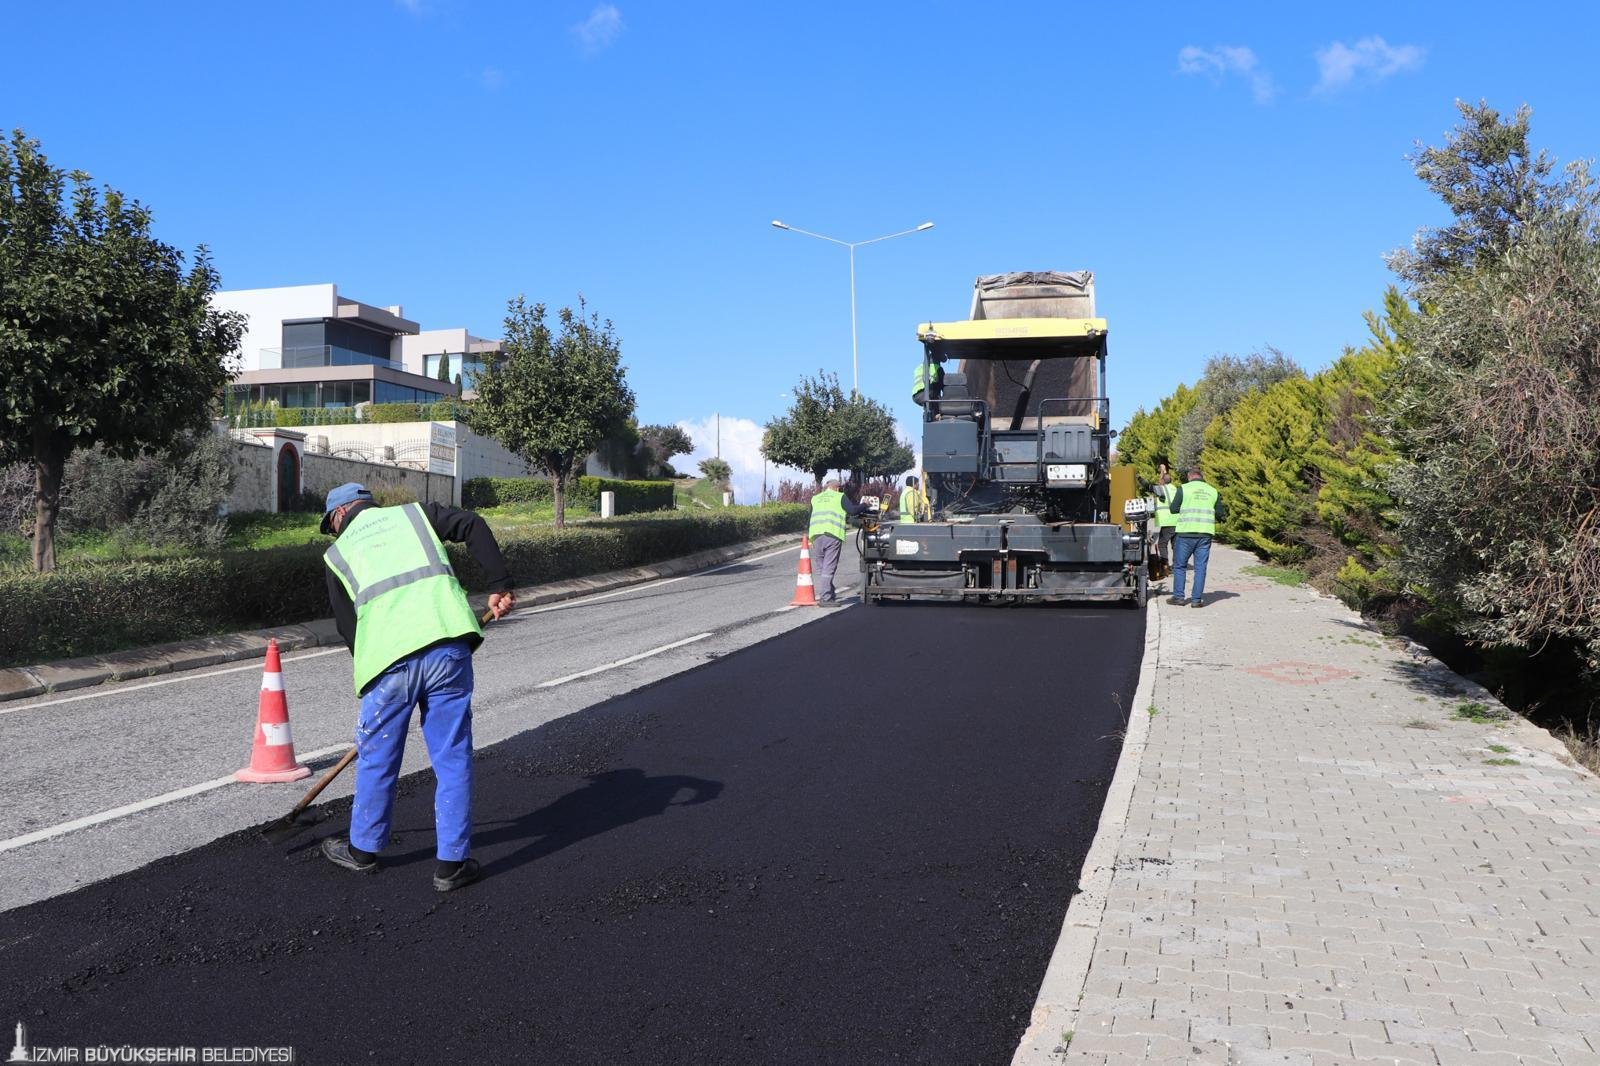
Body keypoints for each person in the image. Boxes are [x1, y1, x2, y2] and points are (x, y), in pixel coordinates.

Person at [317, 482, 516, 891]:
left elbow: (349, 629)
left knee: (377, 757)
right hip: (447, 645)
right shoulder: (415, 515)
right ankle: (451, 866)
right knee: (452, 755)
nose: (334, 532)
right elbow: (473, 524)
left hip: (387, 664)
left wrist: (375, 675)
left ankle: (362, 852)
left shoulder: (336, 554)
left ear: (339, 515)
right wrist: (499, 584)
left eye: (331, 526)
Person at [1168, 466, 1225, 608]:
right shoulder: (1213, 491)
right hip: (1205, 534)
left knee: (1180, 566)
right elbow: (1220, 514)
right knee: (1200, 568)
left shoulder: (1183, 489)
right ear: (1201, 477)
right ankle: (1196, 600)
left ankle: (1179, 598)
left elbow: (1173, 509)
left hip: (1185, 534)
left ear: (1190, 477)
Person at [808, 478, 869, 605]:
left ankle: (829, 591)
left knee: (822, 568)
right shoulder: (839, 496)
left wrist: (810, 539)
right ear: (837, 488)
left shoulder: (815, 498)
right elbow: (852, 511)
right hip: (832, 534)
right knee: (829, 568)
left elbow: (810, 518)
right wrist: (865, 505)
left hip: (815, 535)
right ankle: (825, 598)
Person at [1151, 466, 1177, 565]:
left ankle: (1165, 565)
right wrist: (1163, 471)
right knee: (1175, 545)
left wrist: (1162, 471)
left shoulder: (1161, 489)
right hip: (1177, 520)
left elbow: (1156, 485)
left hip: (1167, 521)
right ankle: (1176, 565)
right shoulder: (1175, 488)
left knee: (1162, 544)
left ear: (1162, 481)